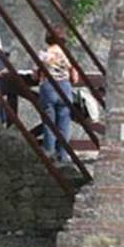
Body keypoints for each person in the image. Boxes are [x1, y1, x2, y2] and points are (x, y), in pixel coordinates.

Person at [38, 25, 78, 165]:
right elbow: (75, 77)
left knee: (49, 124)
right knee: (64, 124)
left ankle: (49, 155)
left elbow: (35, 74)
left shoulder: (44, 54)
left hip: (48, 87)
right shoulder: (67, 55)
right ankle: (63, 155)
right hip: (65, 88)